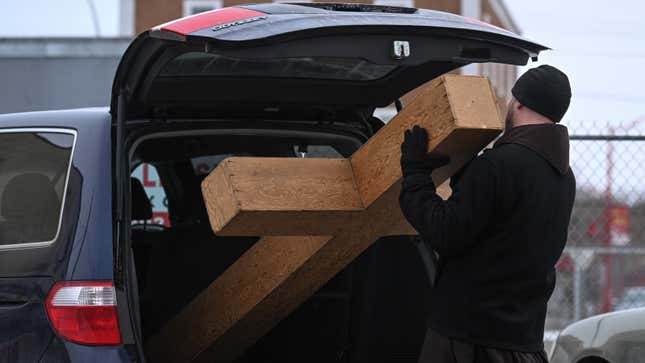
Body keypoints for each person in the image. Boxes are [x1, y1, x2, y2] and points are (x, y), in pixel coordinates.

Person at [399, 65, 575, 363]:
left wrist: (415, 175)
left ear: (518, 101)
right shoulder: (563, 177)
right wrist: (466, 177)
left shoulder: (497, 165)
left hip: (468, 344)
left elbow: (445, 233)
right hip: (525, 344)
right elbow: (504, 230)